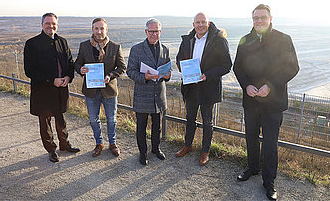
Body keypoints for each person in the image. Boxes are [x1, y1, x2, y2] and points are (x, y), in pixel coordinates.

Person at [234, 4, 299, 200]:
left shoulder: (283, 39)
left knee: (270, 143)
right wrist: (246, 86)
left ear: (271, 19)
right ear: (252, 20)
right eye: (255, 18)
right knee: (251, 138)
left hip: (273, 102)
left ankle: (269, 181)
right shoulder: (245, 40)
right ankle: (252, 168)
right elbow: (237, 67)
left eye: (262, 17)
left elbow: (293, 67)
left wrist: (270, 85)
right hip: (251, 100)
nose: (259, 21)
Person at [175, 12, 232, 166]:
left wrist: (207, 75)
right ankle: (188, 145)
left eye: (203, 22)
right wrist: (183, 67)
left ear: (208, 23)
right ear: (193, 24)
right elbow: (178, 59)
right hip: (190, 87)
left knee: (207, 121)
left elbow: (226, 65)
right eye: (197, 22)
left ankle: (205, 151)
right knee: (190, 118)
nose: (200, 25)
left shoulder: (219, 40)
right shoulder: (187, 40)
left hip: (208, 87)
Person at [24, 12, 80, 163]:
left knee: (61, 118)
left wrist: (68, 77)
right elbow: (29, 70)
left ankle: (64, 145)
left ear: (57, 24)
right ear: (42, 25)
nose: (51, 26)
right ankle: (51, 150)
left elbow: (69, 62)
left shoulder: (62, 41)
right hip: (43, 90)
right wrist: (51, 80)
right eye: (48, 23)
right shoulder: (32, 43)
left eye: (53, 23)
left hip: (61, 88)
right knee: (45, 121)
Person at [74, 18, 126, 157]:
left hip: (109, 90)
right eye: (96, 28)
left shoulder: (115, 47)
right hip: (91, 91)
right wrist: (81, 69)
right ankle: (99, 143)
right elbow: (77, 63)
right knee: (93, 119)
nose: (99, 31)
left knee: (111, 119)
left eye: (102, 28)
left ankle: (113, 143)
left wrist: (110, 75)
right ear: (92, 29)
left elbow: (122, 68)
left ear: (106, 30)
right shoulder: (84, 46)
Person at [126, 18, 171, 165]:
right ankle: (143, 152)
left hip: (159, 95)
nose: (154, 34)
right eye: (151, 31)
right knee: (141, 127)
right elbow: (130, 71)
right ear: (146, 32)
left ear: (160, 32)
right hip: (142, 95)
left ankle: (156, 149)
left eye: (157, 31)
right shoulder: (136, 49)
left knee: (157, 126)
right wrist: (144, 77)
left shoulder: (165, 49)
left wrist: (168, 75)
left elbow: (167, 69)